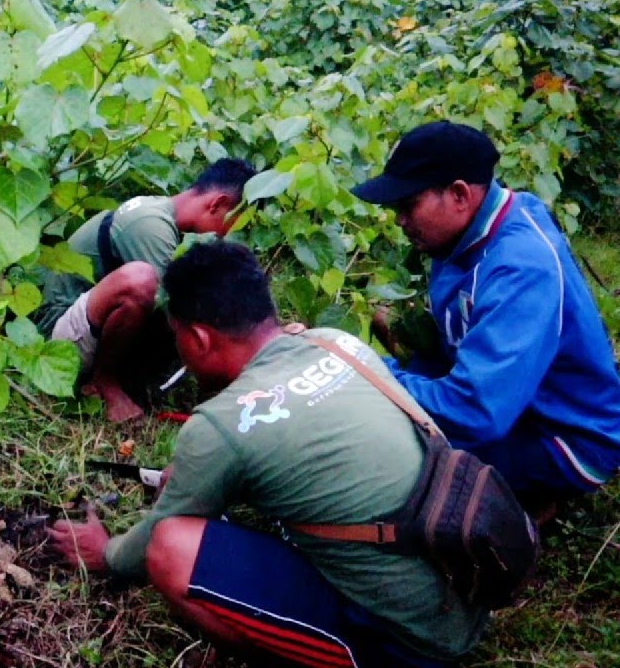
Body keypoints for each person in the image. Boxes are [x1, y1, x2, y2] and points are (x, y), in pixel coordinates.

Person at [48, 241, 489, 667]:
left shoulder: (221, 423)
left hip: (411, 644)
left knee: (171, 549)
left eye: (177, 336)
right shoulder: (335, 343)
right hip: (466, 589)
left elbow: (157, 535)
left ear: (199, 338)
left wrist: (106, 554)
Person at [354, 120, 620, 514]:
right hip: (514, 400)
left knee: (391, 460)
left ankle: (526, 506)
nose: (400, 221)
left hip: (563, 437)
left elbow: (474, 414)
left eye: (408, 206)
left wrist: (363, 372)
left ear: (460, 194)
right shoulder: (477, 226)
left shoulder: (521, 268)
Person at [35, 159, 257, 422]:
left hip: (92, 326)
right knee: (141, 281)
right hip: (59, 339)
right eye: (236, 223)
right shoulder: (150, 224)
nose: (230, 234)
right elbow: (175, 310)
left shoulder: (167, 218)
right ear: (217, 204)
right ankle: (105, 382)